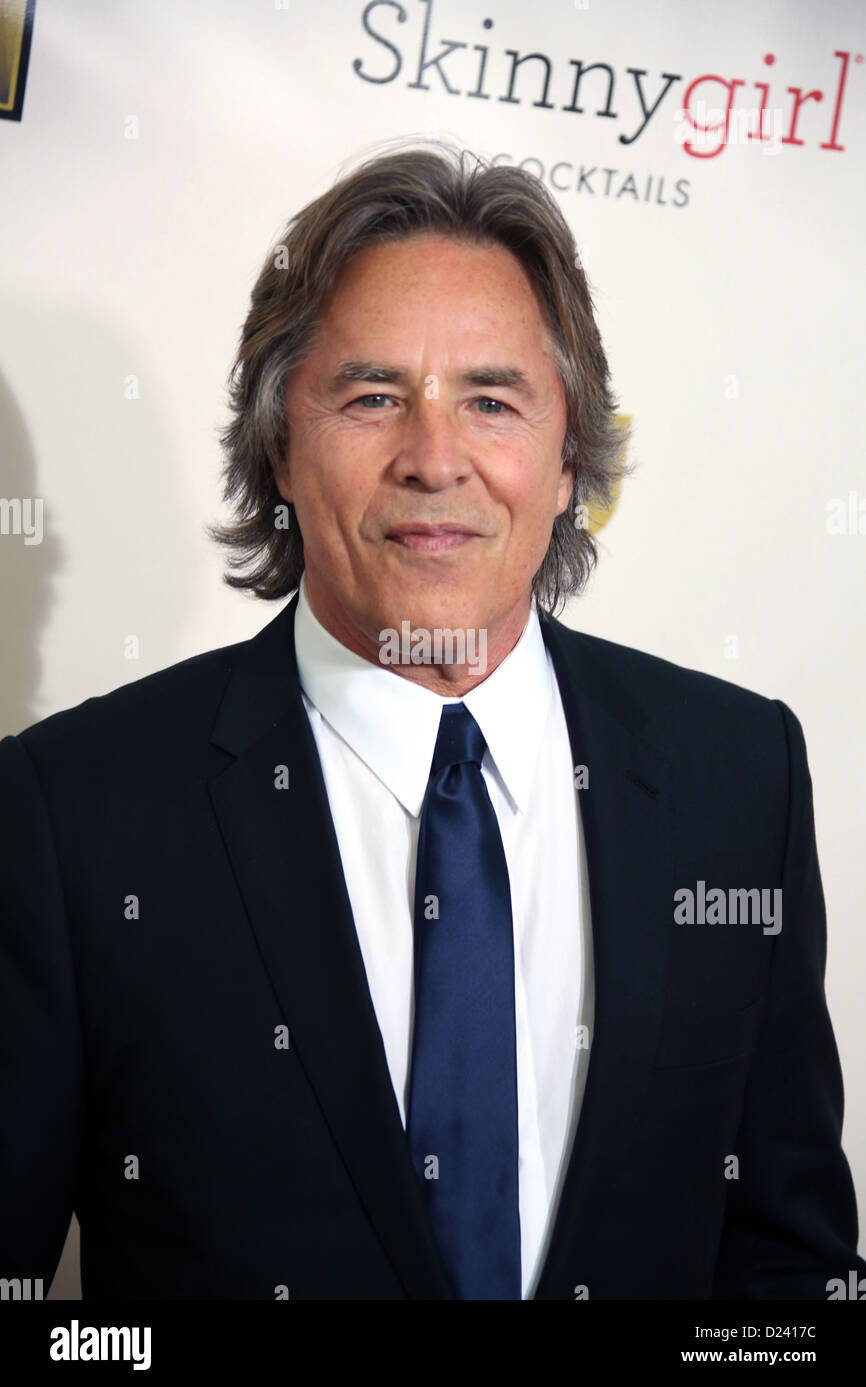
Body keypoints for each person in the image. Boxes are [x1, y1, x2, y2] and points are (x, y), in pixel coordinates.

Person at [1, 142, 863, 1301]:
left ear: (566, 460)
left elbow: (788, 1273)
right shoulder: (72, 814)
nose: (434, 458)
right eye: (370, 399)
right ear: (278, 449)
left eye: (492, 400)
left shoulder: (736, 778)